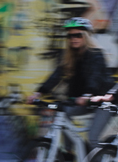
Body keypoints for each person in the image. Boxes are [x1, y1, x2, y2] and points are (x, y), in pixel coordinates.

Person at [28, 17, 112, 147]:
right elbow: (56, 76)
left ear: (86, 36)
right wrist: (38, 93)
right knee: (62, 116)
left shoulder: (96, 55)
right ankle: (69, 152)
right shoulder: (69, 57)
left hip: (103, 102)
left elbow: (95, 78)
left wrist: (87, 95)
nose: (74, 38)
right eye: (70, 36)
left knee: (92, 137)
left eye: (78, 35)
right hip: (84, 100)